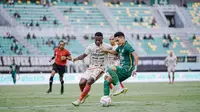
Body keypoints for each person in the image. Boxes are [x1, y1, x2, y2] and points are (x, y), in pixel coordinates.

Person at [72, 32, 112, 106]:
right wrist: (76, 58)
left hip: (100, 68)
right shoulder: (90, 46)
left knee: (89, 81)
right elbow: (84, 55)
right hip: (91, 67)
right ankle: (85, 94)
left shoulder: (108, 46)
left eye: (99, 40)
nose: (97, 42)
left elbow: (115, 52)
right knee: (81, 83)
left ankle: (79, 100)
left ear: (102, 39)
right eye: (96, 40)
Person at [100, 31, 139, 97]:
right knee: (107, 80)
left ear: (122, 38)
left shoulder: (127, 46)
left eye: (118, 40)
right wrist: (105, 50)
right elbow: (115, 52)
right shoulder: (120, 46)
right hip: (122, 70)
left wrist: (135, 68)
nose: (117, 43)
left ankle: (118, 88)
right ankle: (105, 98)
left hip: (127, 69)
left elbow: (136, 56)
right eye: (116, 41)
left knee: (110, 68)